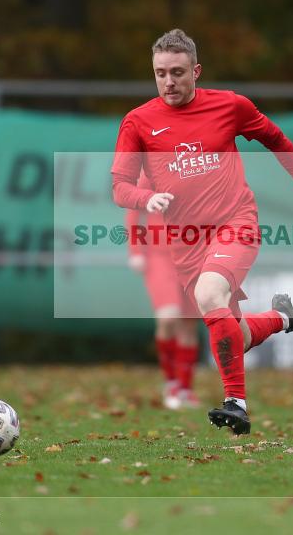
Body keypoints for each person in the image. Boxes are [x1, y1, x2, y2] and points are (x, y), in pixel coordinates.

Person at [112, 28, 293, 435]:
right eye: (160, 73)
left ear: (196, 71)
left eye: (178, 72)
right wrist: (142, 200)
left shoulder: (229, 106)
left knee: (208, 296)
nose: (169, 82)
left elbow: (279, 142)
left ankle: (235, 402)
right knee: (234, 335)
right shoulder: (138, 121)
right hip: (184, 245)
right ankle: (282, 319)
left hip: (235, 224)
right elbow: (120, 186)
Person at [126, 173, 201, 410]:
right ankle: (171, 382)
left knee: (188, 324)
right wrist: (136, 251)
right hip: (160, 256)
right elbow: (134, 210)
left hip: (191, 256)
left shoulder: (197, 167)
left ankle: (185, 389)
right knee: (168, 318)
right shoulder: (152, 169)